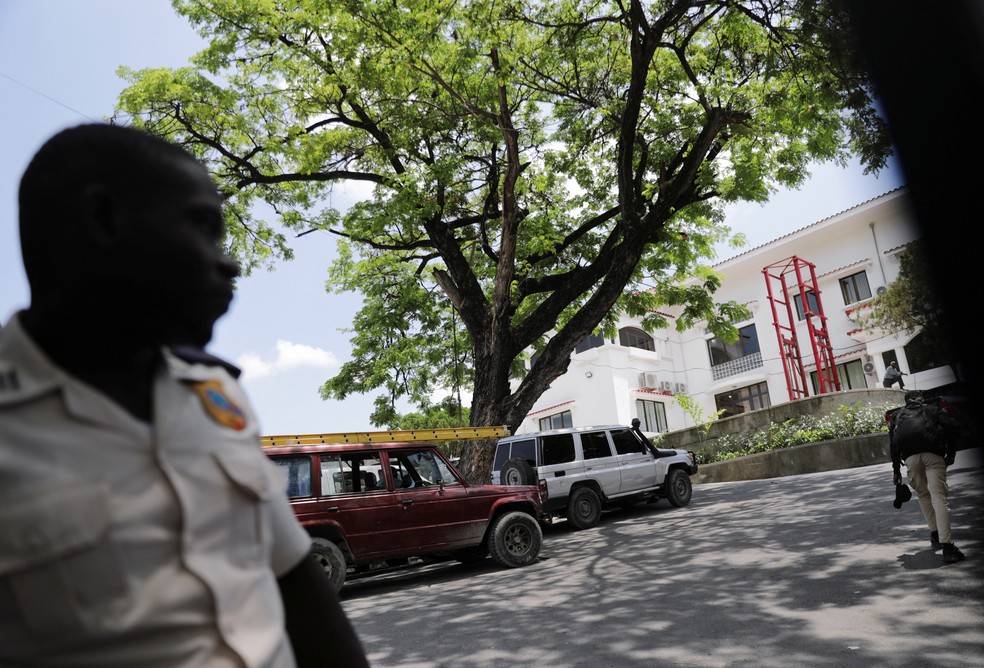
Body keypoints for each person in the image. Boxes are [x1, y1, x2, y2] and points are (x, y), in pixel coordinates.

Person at [0, 123, 370, 667]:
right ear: (104, 219)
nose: (228, 262)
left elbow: (296, 586)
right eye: (203, 227)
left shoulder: (215, 395)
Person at [889, 389, 964, 564]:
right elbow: (950, 428)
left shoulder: (897, 416)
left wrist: (896, 471)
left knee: (923, 494)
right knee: (939, 497)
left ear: (906, 401)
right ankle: (948, 547)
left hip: (910, 459)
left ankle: (935, 534)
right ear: (920, 400)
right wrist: (950, 454)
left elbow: (893, 444)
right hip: (933, 456)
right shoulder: (932, 409)